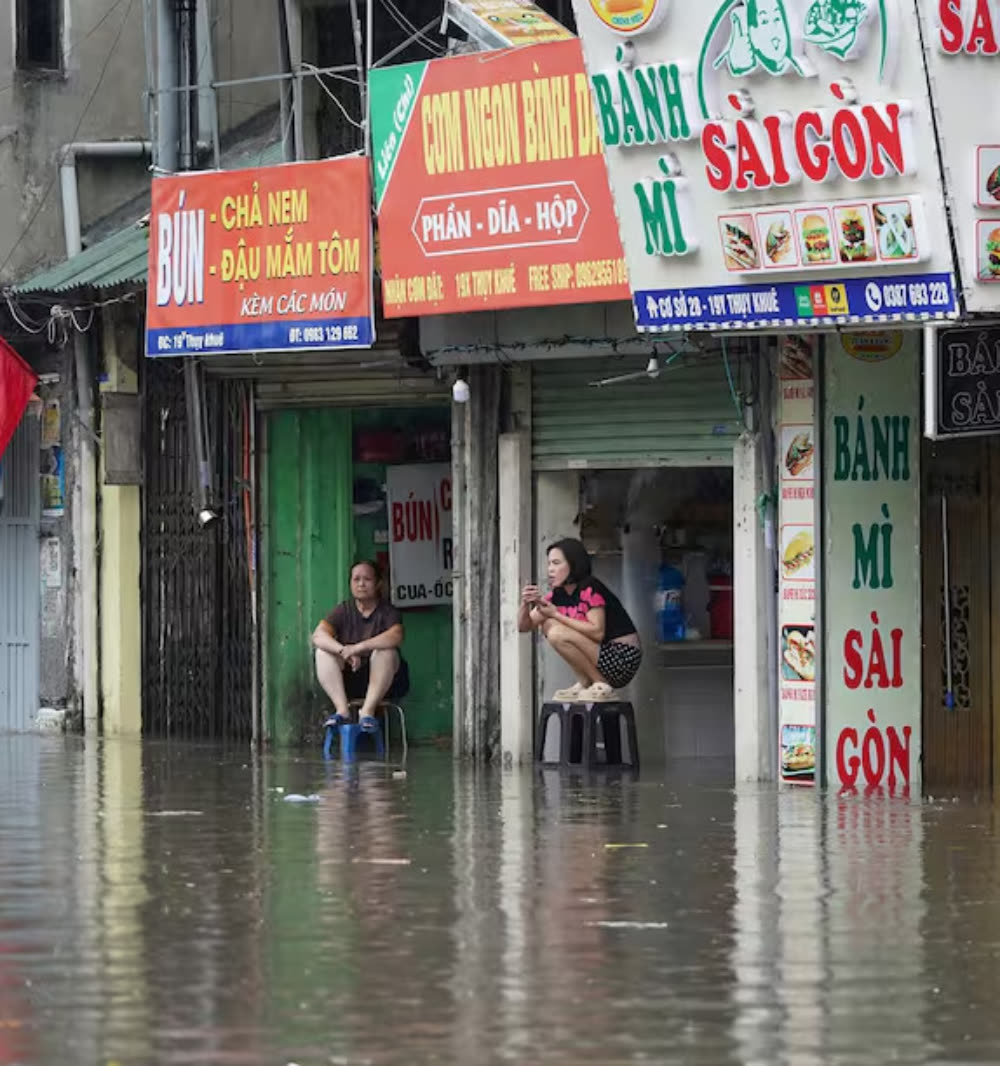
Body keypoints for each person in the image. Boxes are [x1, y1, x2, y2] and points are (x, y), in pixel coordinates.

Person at [518, 537, 642, 703]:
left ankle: (600, 683)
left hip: (622, 657)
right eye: (549, 564)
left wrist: (556, 614)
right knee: (548, 624)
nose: (550, 570)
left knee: (556, 632)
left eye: (556, 563)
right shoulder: (558, 594)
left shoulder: (589, 588)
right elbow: (524, 627)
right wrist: (525, 604)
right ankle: (586, 682)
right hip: (600, 655)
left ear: (573, 564)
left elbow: (597, 632)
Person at [313, 560, 408, 731]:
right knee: (323, 652)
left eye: (367, 579)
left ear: (378, 583)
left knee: (386, 652)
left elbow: (396, 636)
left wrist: (357, 648)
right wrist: (343, 651)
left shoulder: (388, 611)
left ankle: (367, 713)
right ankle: (342, 711)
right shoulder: (344, 610)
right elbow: (318, 635)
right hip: (350, 678)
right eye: (356, 579)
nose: (361, 584)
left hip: (386, 683)